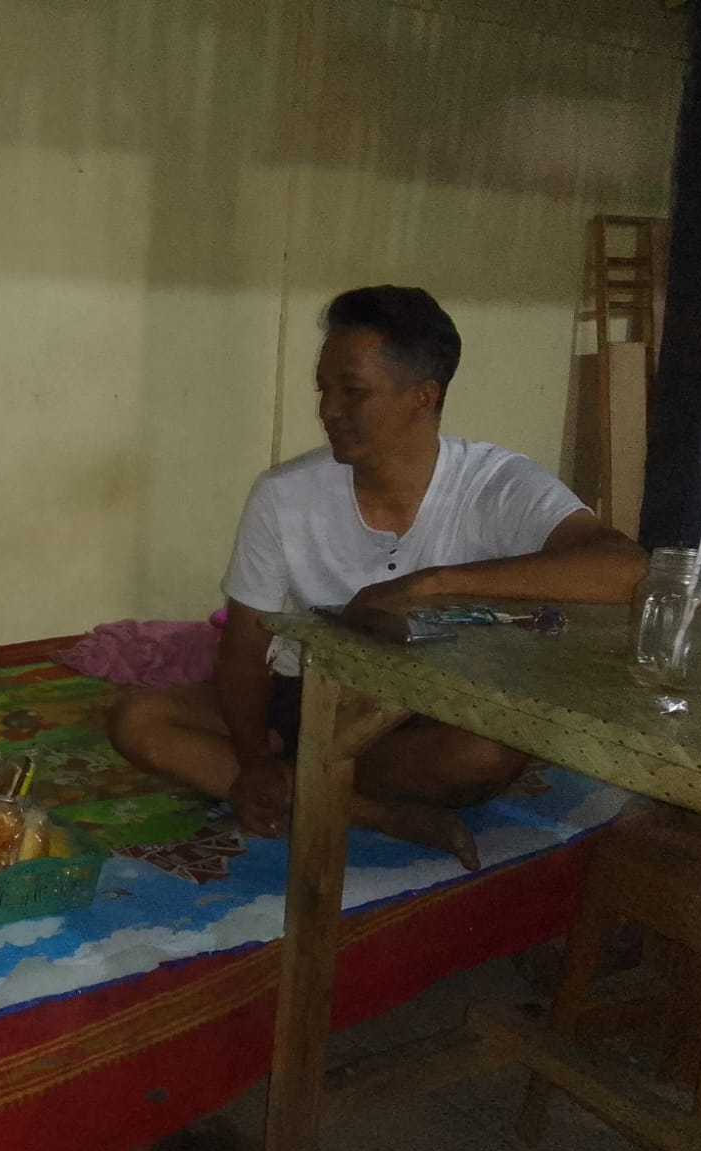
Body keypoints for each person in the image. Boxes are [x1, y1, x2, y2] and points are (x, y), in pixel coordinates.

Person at [109, 285, 646, 869]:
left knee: (485, 754)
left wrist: (431, 584)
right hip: (308, 700)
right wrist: (254, 760)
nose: (328, 410)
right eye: (324, 389)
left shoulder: (496, 483)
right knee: (139, 719)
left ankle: (306, 785)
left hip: (423, 714)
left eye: (353, 391)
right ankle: (373, 811)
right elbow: (243, 649)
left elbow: (625, 570)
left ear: (423, 396)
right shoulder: (284, 495)